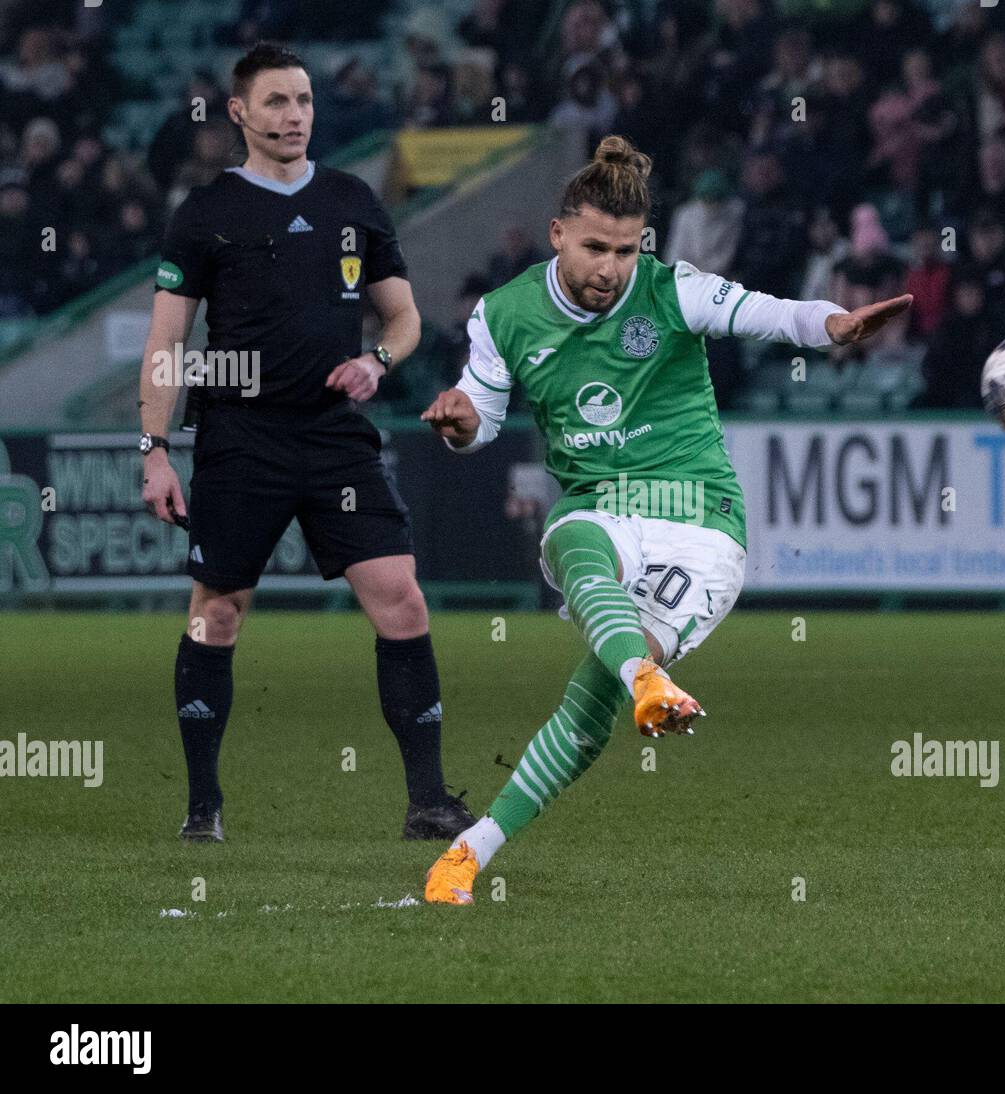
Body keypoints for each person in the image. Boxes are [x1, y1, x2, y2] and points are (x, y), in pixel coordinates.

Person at [417, 135, 911, 904]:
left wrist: (833, 326)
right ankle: (644, 677)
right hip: (601, 504)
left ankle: (469, 850)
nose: (609, 269)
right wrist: (459, 420)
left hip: (700, 518)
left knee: (588, 705)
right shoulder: (504, 314)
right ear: (557, 234)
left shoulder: (670, 288)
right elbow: (478, 414)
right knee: (573, 538)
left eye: (623, 250)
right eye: (593, 248)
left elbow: (766, 314)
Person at [137, 43, 474, 843]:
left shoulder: (353, 199)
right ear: (240, 114)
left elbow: (404, 318)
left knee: (401, 596)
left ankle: (427, 801)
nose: (294, 117)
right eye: (278, 103)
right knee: (215, 616)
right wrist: (153, 448)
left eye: (304, 101)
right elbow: (166, 341)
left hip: (334, 440)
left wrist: (376, 362)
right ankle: (203, 806)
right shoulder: (205, 212)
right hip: (239, 439)